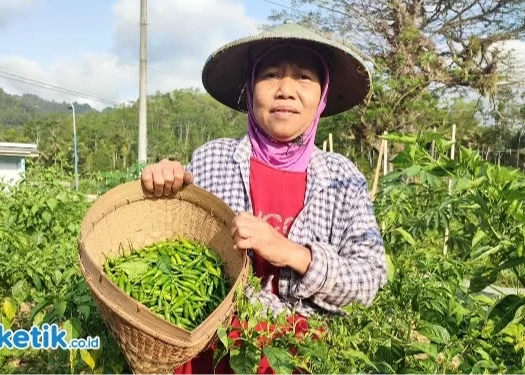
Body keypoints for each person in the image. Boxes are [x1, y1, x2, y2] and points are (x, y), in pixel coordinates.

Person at [140, 22, 387, 374]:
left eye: (303, 77)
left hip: (298, 360)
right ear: (251, 88)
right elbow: (170, 248)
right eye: (270, 75)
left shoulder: (342, 178)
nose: (286, 89)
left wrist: (293, 254)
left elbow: (370, 279)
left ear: (322, 95)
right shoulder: (213, 159)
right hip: (214, 355)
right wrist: (162, 187)